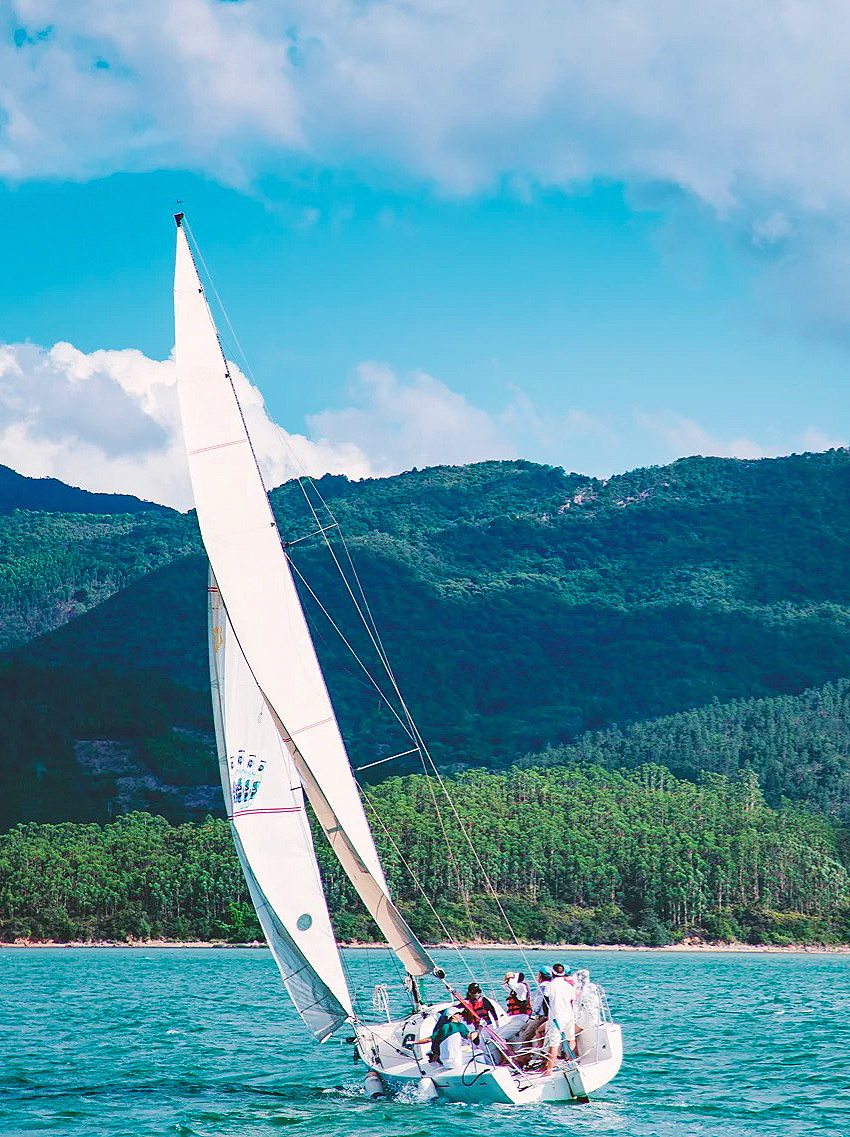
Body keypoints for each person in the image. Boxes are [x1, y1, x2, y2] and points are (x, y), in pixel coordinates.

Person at [512, 967, 552, 1063]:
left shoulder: (542, 987)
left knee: (525, 1036)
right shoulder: (552, 985)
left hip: (542, 1017)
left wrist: (535, 1011)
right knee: (524, 1027)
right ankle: (529, 1053)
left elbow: (538, 1003)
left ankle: (524, 1058)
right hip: (547, 1016)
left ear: (540, 976)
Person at [544, 962, 577, 1074]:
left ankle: (549, 1070)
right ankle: (571, 1062)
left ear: (552, 973)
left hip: (556, 1017)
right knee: (571, 1039)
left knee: (554, 1045)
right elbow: (573, 999)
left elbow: (546, 1000)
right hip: (569, 1016)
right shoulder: (569, 986)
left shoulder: (549, 986)